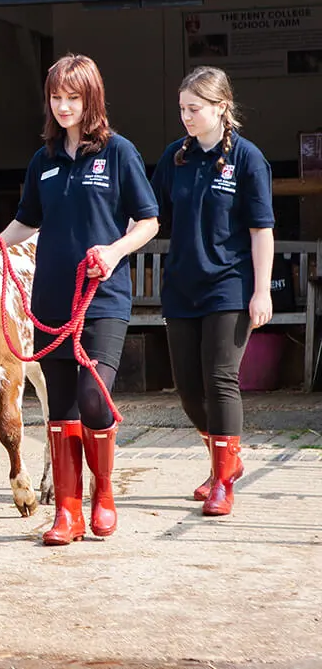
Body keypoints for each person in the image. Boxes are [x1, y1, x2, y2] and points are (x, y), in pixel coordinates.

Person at [0, 54, 159, 545]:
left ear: (90, 98)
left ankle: (104, 494)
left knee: (93, 397)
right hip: (51, 296)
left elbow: (148, 221)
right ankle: (69, 512)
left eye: (72, 97)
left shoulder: (119, 153)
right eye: (56, 97)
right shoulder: (44, 160)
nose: (62, 106)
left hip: (102, 296)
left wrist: (116, 250)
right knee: (59, 405)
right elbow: (26, 220)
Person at [150, 66, 274, 517]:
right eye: (182, 108)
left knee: (220, 379)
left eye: (194, 109)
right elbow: (149, 215)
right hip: (182, 288)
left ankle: (223, 480)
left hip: (229, 287)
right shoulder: (175, 158)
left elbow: (262, 230)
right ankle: (227, 457)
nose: (186, 116)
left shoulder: (247, 158)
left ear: (222, 107)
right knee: (187, 387)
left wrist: (262, 291)